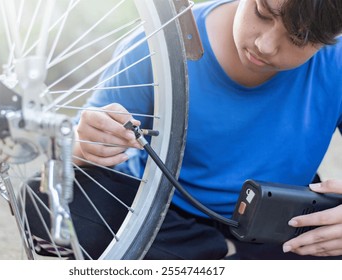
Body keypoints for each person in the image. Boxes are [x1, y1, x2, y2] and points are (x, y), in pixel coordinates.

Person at [71, 0, 342, 259]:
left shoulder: (336, 62)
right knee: (49, 200)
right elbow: (71, 151)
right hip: (160, 213)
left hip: (278, 222)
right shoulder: (157, 43)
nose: (265, 45)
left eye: (298, 37)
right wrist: (84, 145)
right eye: (262, 12)